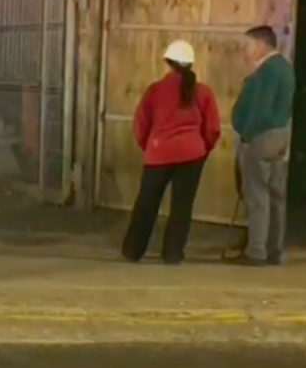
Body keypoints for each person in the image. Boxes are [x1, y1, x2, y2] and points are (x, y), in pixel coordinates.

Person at [121, 40, 221, 265]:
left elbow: (140, 124)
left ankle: (133, 250)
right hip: (192, 154)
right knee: (182, 206)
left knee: (146, 203)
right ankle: (173, 253)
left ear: (168, 63)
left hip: (159, 154)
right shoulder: (203, 92)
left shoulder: (155, 90)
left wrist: (149, 146)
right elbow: (213, 128)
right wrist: (203, 148)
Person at [230, 25, 295, 266]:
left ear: (259, 44)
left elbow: (259, 109)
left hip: (262, 137)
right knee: (276, 195)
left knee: (256, 194)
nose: (245, 52)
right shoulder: (285, 69)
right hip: (281, 136)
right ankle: (273, 250)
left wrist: (246, 132)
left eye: (247, 46)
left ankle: (255, 250)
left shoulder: (266, 71)